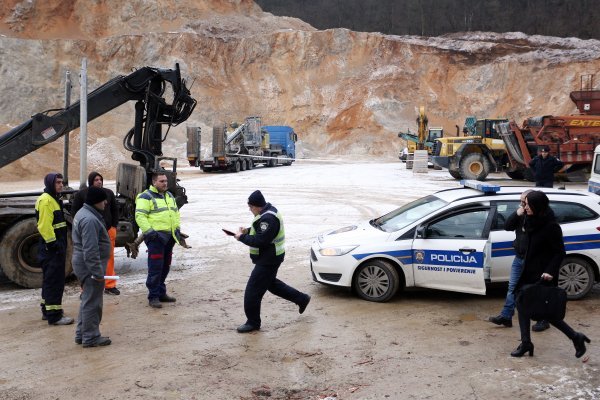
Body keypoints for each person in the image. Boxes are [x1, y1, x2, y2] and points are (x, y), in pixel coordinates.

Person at [510, 190, 590, 358]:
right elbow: (510, 225)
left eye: (527, 204)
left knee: (547, 313)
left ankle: (576, 337)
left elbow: (559, 252)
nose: (525, 207)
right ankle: (526, 343)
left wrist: (550, 271)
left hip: (543, 274)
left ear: (537, 206)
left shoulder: (551, 226)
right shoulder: (530, 219)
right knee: (521, 303)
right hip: (528, 271)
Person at [232, 190, 310, 333]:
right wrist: (247, 231)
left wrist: (241, 238)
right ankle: (302, 299)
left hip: (268, 259)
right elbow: (262, 232)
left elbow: (261, 240)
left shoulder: (269, 218)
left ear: (256, 206)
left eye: (250, 208)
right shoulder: (268, 211)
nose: (250, 210)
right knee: (271, 284)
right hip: (271, 256)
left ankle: (253, 322)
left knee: (252, 291)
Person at [72, 186, 112, 347]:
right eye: (103, 200)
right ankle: (90, 337)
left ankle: (82, 334)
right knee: (93, 302)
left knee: (87, 299)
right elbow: (90, 249)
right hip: (89, 266)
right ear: (96, 202)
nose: (106, 202)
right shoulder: (89, 220)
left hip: (84, 263)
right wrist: (97, 272)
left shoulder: (84, 213)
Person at [135, 173, 180, 308]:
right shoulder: (145, 197)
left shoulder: (169, 196)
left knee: (165, 267)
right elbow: (140, 216)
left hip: (169, 238)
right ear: (154, 182)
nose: (165, 183)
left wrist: (177, 230)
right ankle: (153, 296)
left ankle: (161, 293)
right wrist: (150, 233)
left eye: (166, 181)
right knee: (155, 268)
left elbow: (175, 214)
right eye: (161, 181)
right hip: (156, 239)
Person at [72, 171, 120, 295]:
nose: (99, 181)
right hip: (90, 231)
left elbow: (115, 210)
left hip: (108, 231)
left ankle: (110, 285)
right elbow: (75, 212)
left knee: (108, 258)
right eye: (96, 180)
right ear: (90, 181)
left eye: (100, 179)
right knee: (90, 257)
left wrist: (113, 226)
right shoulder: (82, 194)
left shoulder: (108, 193)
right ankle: (86, 288)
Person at [488, 189, 532, 328]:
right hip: (519, 258)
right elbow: (507, 226)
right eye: (520, 202)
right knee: (512, 287)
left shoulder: (539, 218)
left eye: (524, 202)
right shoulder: (521, 214)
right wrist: (516, 214)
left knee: (537, 291)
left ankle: (544, 319)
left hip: (533, 260)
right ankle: (506, 316)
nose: (522, 205)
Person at [35, 172, 74, 325]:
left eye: (61, 182)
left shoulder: (52, 199)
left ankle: (47, 310)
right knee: (55, 282)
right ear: (50, 183)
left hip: (51, 249)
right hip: (51, 249)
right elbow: (44, 226)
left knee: (49, 280)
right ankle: (55, 316)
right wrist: (54, 245)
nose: (60, 185)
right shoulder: (46, 201)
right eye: (57, 182)